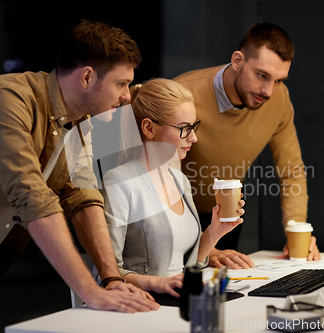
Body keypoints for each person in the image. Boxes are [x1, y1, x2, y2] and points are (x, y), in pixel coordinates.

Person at [0, 20, 159, 333]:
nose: (127, 96)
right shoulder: (7, 98)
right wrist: (89, 293)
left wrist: (110, 279)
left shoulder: (81, 120)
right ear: (87, 77)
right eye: (121, 84)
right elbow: (31, 195)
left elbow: (81, 194)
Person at [174, 22, 320, 268]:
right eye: (262, 75)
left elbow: (292, 170)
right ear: (237, 61)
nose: (269, 91)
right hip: (176, 220)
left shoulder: (278, 98)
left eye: (278, 80)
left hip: (227, 215)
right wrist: (206, 246)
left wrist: (297, 232)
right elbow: (156, 179)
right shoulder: (183, 94)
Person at [98, 78, 245, 297]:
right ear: (149, 128)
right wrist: (157, 283)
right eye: (185, 129)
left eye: (193, 127)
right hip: (142, 305)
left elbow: (187, 265)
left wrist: (214, 232)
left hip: (177, 299)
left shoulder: (180, 180)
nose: (194, 138)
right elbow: (107, 274)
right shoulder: (119, 182)